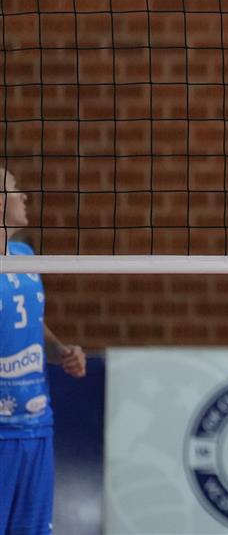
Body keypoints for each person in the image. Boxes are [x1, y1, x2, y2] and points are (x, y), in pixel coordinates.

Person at [0, 167, 87, 535]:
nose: (24, 196)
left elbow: (31, 322)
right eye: (14, 189)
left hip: (37, 425)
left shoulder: (25, 256)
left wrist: (60, 349)